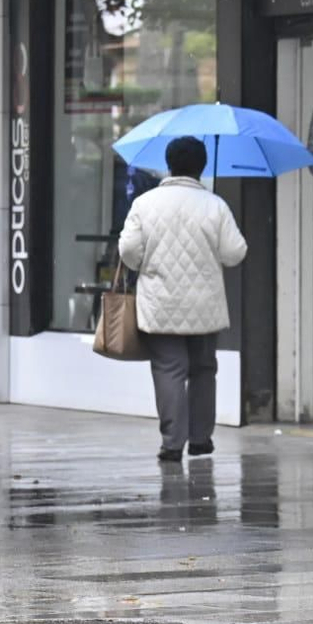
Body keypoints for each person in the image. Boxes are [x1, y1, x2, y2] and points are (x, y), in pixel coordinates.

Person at [118, 136, 247, 463]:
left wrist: (146, 265)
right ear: (201, 166)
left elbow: (129, 253)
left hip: (160, 305)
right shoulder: (215, 205)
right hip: (205, 306)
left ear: (169, 164)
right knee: (203, 369)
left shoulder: (145, 204)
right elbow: (235, 253)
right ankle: (201, 439)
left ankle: (172, 444)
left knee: (169, 369)